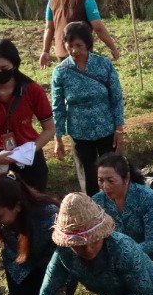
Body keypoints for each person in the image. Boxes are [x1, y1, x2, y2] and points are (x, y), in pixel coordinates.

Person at [0, 38, 55, 191]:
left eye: (4, 68)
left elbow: (49, 129)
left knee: (33, 207)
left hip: (29, 155)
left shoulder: (32, 90)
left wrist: (27, 151)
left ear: (14, 65)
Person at [51, 21, 125, 196]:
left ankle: (116, 206)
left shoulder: (103, 64)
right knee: (88, 178)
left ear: (88, 45)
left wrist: (119, 128)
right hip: (79, 132)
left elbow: (116, 97)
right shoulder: (61, 72)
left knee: (111, 171)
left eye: (79, 45)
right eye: (70, 45)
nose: (75, 50)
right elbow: (58, 106)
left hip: (105, 127)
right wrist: (58, 137)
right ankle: (94, 214)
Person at [92, 153, 153, 274]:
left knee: (135, 271)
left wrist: (125, 255)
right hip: (121, 254)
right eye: (101, 180)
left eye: (111, 180)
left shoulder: (147, 197)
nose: (105, 186)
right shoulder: (98, 201)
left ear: (126, 178)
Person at [40, 0, 120, 67]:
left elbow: (49, 28)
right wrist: (112, 48)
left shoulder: (52, 0)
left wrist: (45, 51)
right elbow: (98, 28)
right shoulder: (87, 1)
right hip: (81, 53)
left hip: (62, 53)